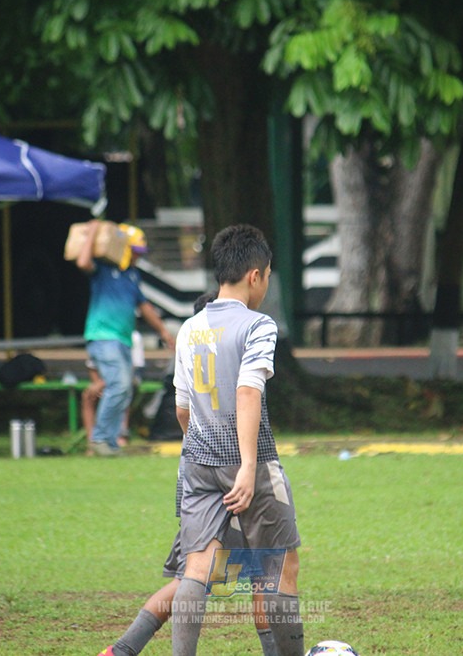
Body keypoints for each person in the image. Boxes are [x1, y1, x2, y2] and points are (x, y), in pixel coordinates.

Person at [97, 290, 278, 656]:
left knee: (191, 577)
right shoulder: (232, 362)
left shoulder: (193, 357)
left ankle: (121, 650)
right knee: (263, 571)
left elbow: (184, 414)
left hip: (195, 477)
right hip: (231, 474)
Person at [169, 224, 304, 656]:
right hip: (252, 461)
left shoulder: (189, 329)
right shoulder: (258, 325)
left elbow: (183, 407)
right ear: (255, 275)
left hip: (198, 461)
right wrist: (246, 465)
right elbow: (248, 390)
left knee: (198, 567)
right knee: (281, 566)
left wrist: (201, 445)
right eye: (266, 276)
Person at [78, 220, 174, 456]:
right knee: (118, 385)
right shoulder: (102, 270)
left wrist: (163, 331)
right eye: (136, 251)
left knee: (125, 389)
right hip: (103, 337)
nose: (138, 257)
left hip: (122, 340)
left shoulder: (132, 276)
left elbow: (144, 306)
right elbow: (82, 262)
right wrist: (92, 231)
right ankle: (99, 439)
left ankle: (109, 442)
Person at [84, 330, 145, 454]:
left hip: (125, 379)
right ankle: (91, 442)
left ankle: (118, 436)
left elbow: (131, 370)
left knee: (120, 391)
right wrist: (98, 383)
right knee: (88, 396)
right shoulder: (99, 336)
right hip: (104, 379)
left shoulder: (134, 337)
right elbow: (92, 366)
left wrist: (106, 383)